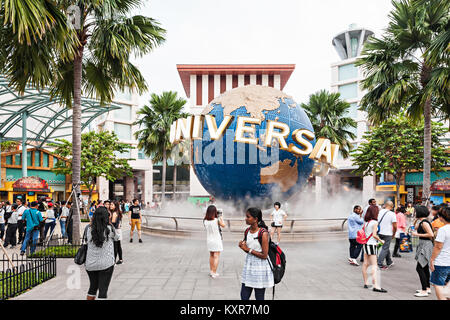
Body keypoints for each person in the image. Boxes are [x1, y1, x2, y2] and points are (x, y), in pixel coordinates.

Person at [238, 207, 274, 300]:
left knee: (259, 297)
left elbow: (264, 255)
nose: (245, 218)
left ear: (255, 219)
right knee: (244, 296)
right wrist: (242, 247)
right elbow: (247, 248)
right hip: (248, 267)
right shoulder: (247, 231)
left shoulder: (263, 233)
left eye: (248, 217)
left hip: (260, 268)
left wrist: (248, 249)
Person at [84, 206, 119, 300]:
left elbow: (86, 241)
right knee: (103, 291)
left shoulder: (88, 229)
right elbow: (117, 239)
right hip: (106, 264)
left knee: (92, 288)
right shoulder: (109, 229)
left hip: (90, 264)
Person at [361, 205, 387, 293]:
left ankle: (366, 283)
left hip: (365, 244)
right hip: (372, 245)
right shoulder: (375, 222)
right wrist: (381, 240)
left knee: (365, 264)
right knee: (374, 265)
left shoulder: (366, 222)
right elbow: (374, 235)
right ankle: (376, 286)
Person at [412, 205, 434, 297]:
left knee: (419, 267)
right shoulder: (422, 222)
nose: (414, 213)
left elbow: (431, 234)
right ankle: (427, 288)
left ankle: (424, 290)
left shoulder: (425, 223)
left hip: (425, 245)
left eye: (416, 212)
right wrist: (416, 219)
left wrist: (417, 234)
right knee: (424, 267)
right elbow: (415, 227)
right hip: (423, 244)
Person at [430, 206, 450, 300]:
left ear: (442, 217)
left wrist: (432, 259)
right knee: (447, 284)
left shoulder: (443, 230)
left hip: (442, 261)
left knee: (438, 284)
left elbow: (438, 246)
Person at [203, 205, 225, 278]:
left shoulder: (205, 221)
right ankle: (214, 272)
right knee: (217, 256)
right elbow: (223, 225)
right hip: (217, 240)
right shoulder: (217, 220)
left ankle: (211, 271)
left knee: (212, 255)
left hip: (209, 240)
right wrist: (221, 217)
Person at [377, 201, 397, 269]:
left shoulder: (380, 212)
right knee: (385, 248)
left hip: (380, 232)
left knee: (386, 247)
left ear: (385, 205)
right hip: (387, 233)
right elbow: (395, 226)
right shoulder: (392, 214)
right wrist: (394, 234)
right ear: (392, 207)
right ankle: (379, 263)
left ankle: (389, 261)